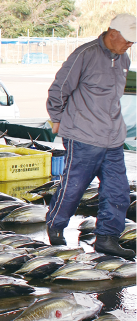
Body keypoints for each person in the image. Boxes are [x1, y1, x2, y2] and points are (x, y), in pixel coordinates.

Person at [45, 13, 137, 259]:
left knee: (118, 192)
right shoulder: (84, 55)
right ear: (112, 33)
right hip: (83, 136)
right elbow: (59, 89)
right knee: (74, 187)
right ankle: (55, 226)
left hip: (113, 137)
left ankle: (107, 238)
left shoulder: (124, 57)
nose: (130, 44)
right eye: (128, 39)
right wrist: (57, 118)